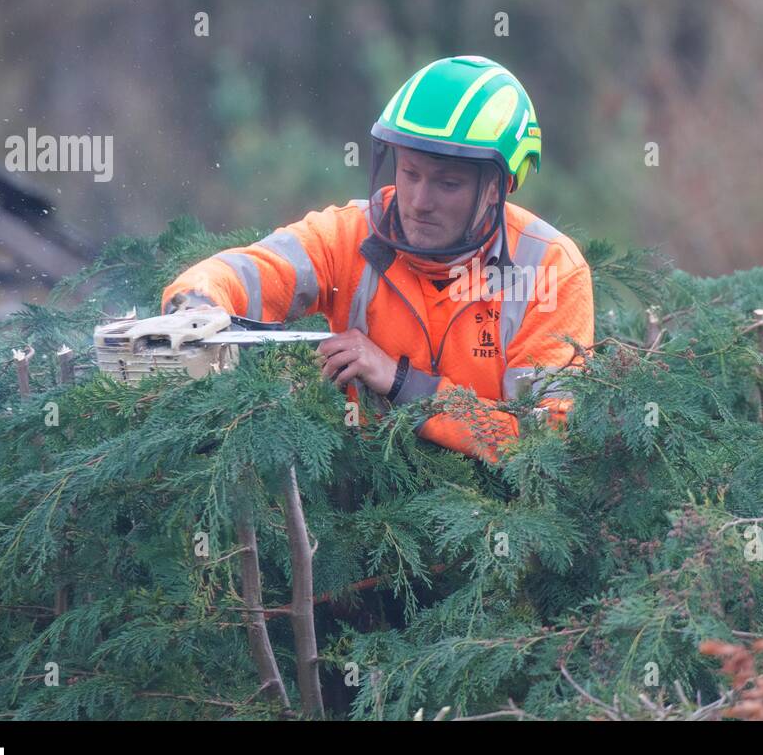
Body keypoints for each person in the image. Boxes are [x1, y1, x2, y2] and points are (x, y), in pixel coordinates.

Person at [160, 54, 593, 462]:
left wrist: (403, 383)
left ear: (499, 188)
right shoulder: (349, 234)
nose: (419, 202)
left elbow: (542, 444)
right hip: (361, 498)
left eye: (447, 184)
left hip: (494, 514)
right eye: (410, 174)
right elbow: (253, 272)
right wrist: (194, 306)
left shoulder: (550, 269)